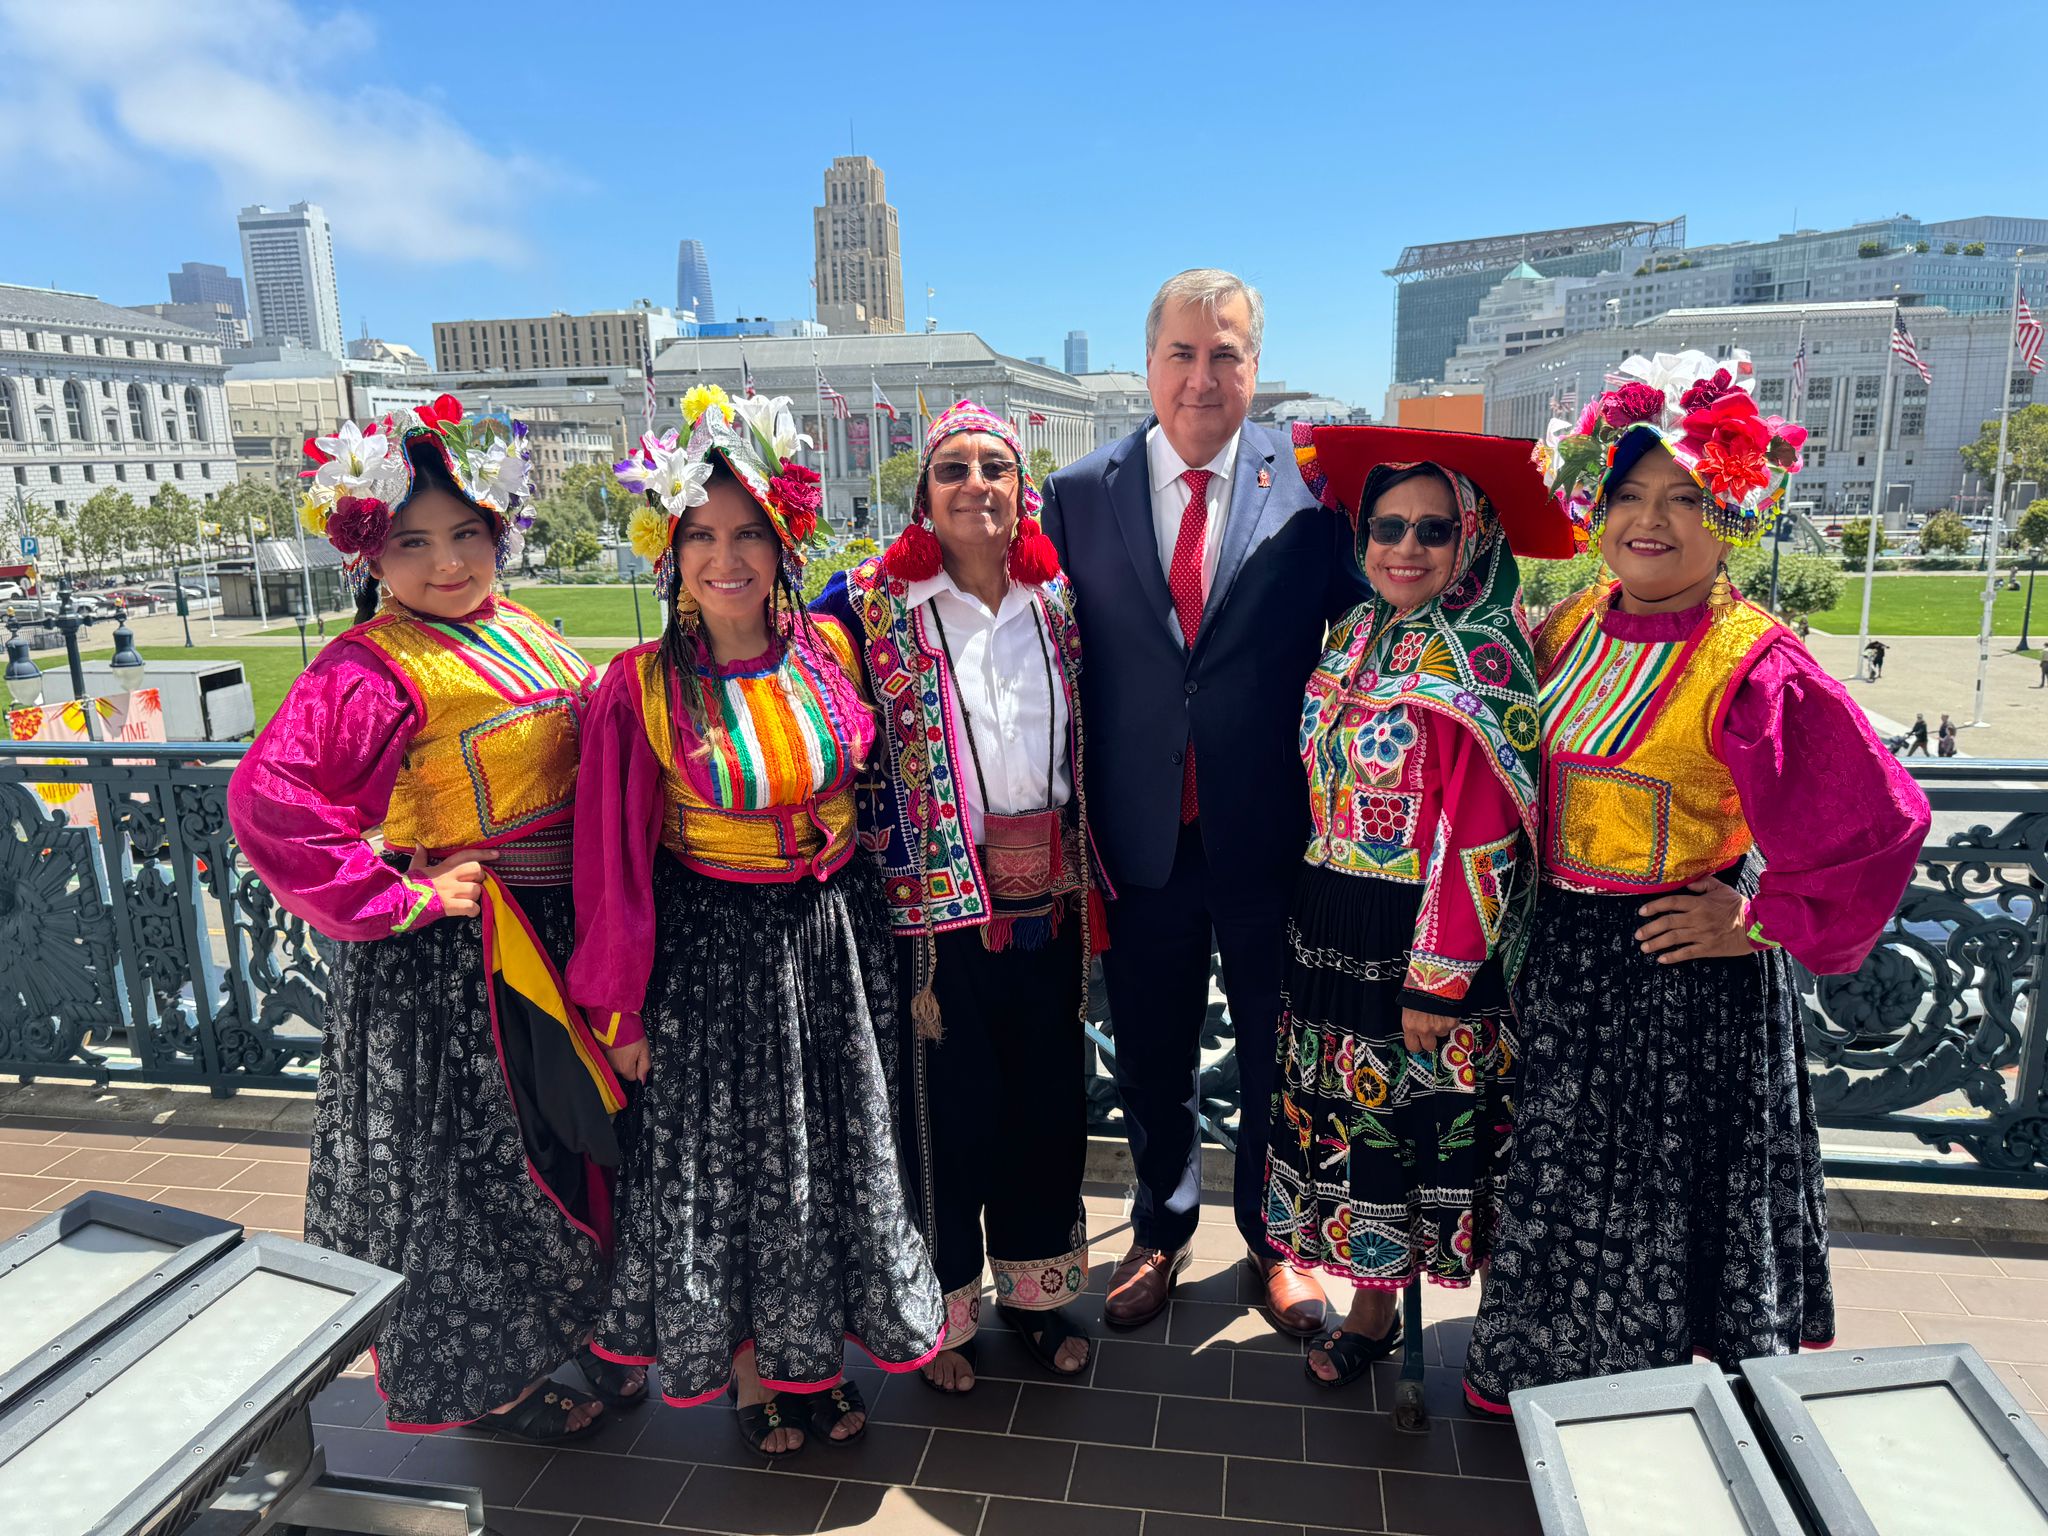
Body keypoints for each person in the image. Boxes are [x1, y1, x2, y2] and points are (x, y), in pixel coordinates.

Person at [1465, 351, 1931, 1412]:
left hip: (1680, 974)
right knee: (1563, 1182)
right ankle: (1547, 1382)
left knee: (1659, 1197)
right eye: (1627, 492)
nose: (1649, 520)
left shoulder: (1753, 663)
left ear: (1730, 509)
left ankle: (1646, 1413)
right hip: (1564, 967)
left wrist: (1757, 917)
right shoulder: (1570, 624)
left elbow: (1879, 823)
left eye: (1683, 496)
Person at [228, 398, 634, 1438]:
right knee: (480, 1174)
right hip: (458, 957)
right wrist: (399, 895)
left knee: (567, 1143)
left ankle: (581, 1330)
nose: (447, 563)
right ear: (372, 549)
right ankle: (495, 1378)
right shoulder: (371, 665)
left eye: (466, 535)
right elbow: (273, 805)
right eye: (414, 542)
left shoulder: (518, 625)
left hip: (553, 928)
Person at [570, 388, 944, 1457]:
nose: (726, 558)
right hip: (716, 959)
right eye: (701, 535)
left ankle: (817, 1357)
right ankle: (748, 1374)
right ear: (667, 549)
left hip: (830, 945)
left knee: (828, 1162)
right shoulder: (636, 690)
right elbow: (611, 864)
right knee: (733, 1179)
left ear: (783, 545)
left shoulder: (828, 644)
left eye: (749, 534)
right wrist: (621, 1011)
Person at [1040, 269, 1371, 1335]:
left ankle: (1276, 1247)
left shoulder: (1313, 493)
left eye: (1224, 353)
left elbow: (1379, 630)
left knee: (1281, 1053)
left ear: (1253, 368)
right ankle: (1160, 1229)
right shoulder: (1077, 493)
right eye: (1181, 353)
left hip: (1273, 836)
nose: (1201, 376)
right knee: (1149, 1054)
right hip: (1137, 838)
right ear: (1147, 364)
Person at [1266, 426, 1573, 1385]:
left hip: (1419, 932)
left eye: (1431, 530)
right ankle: (1368, 1299)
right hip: (1331, 916)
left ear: (1471, 539)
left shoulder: (1481, 659)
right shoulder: (1355, 635)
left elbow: (1482, 837)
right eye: (1387, 526)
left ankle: (1391, 1319)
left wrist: (1438, 981)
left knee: (1405, 1123)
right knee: (1349, 1121)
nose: (1404, 547)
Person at [814, 399, 1109, 1395]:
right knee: (945, 1121)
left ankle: (1035, 1300)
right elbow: (801, 706)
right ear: (922, 494)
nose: (975, 483)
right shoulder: (864, 605)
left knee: (1043, 1107)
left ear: (1021, 489)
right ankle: (936, 1317)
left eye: (995, 467)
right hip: (932, 921)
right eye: (952, 469)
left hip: (1048, 906)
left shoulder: (1059, 603)